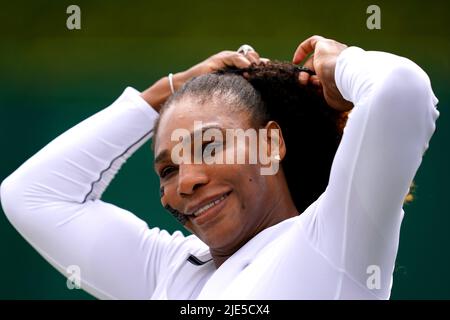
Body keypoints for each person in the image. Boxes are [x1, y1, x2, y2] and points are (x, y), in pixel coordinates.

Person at [0, 36, 439, 299]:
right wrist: (169, 91)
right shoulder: (174, 273)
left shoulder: (333, 240)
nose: (187, 180)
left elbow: (403, 92)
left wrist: (338, 62)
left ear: (270, 144)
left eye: (209, 146)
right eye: (168, 171)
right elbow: (32, 195)